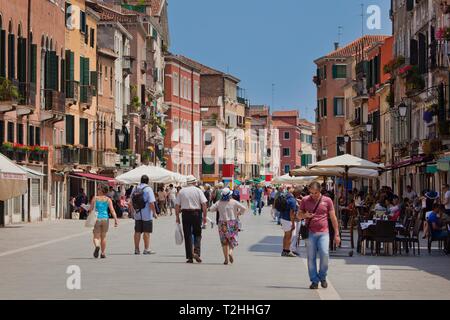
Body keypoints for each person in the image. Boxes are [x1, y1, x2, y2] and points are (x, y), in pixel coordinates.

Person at [298, 182, 340, 290]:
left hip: (324, 232)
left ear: (320, 190)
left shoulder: (327, 200)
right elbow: (298, 215)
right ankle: (314, 280)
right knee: (311, 258)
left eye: (315, 193)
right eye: (311, 193)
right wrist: (305, 215)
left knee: (325, 254)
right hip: (310, 233)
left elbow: (333, 217)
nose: (313, 195)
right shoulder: (305, 200)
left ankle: (322, 276)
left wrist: (337, 234)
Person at [209, 188, 246, 265]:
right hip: (233, 222)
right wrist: (239, 213)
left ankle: (226, 259)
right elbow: (244, 208)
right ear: (230, 194)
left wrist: (218, 209)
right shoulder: (234, 202)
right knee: (233, 239)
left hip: (222, 223)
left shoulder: (219, 202)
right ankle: (230, 252)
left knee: (224, 242)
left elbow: (211, 209)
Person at [175, 176, 208, 264]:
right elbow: (204, 204)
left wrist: (177, 217)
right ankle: (196, 252)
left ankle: (190, 256)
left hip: (185, 214)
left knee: (187, 235)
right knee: (197, 233)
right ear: (194, 182)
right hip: (196, 213)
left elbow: (177, 205)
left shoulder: (181, 191)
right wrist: (204, 217)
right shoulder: (198, 190)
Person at [129, 175, 158, 255]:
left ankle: (136, 249)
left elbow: (131, 201)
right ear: (147, 181)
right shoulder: (148, 189)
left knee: (137, 231)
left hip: (137, 213)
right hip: (147, 214)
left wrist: (132, 212)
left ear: (140, 180)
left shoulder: (135, 188)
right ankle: (146, 249)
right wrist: (154, 213)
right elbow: (151, 203)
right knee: (146, 232)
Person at [88, 184, 119, 259]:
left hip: (97, 219)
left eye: (98, 189)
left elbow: (91, 209)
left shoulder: (95, 198)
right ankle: (103, 253)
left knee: (96, 236)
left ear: (101, 190)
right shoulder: (108, 199)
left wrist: (89, 216)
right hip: (105, 218)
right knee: (103, 236)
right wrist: (116, 220)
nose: (97, 190)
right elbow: (112, 210)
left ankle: (97, 246)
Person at [278, 187, 298, 257]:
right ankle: (287, 251)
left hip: (283, 218)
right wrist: (293, 223)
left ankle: (284, 250)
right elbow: (291, 213)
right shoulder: (292, 200)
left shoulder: (286, 197)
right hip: (288, 220)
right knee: (289, 237)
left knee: (286, 236)